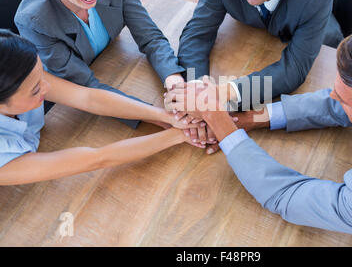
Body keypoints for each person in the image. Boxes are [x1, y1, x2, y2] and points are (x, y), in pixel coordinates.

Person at [165, 29, 352, 246]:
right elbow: (333, 104)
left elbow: (285, 194)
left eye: (342, 97)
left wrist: (221, 124)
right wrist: (245, 120)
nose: (331, 94)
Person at [0, 30, 207, 186]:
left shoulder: (22, 74)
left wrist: (165, 116)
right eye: (36, 90)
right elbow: (97, 159)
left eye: (42, 76)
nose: (47, 87)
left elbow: (88, 97)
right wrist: (181, 135)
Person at [14, 0, 185, 128]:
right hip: (75, 99)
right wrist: (158, 116)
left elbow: (150, 36)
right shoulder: (34, 21)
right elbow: (87, 88)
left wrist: (174, 80)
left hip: (113, 61)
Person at [165, 0, 343, 109]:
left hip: (325, 46)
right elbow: (196, 35)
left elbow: (293, 70)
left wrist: (227, 93)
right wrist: (195, 89)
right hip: (252, 38)